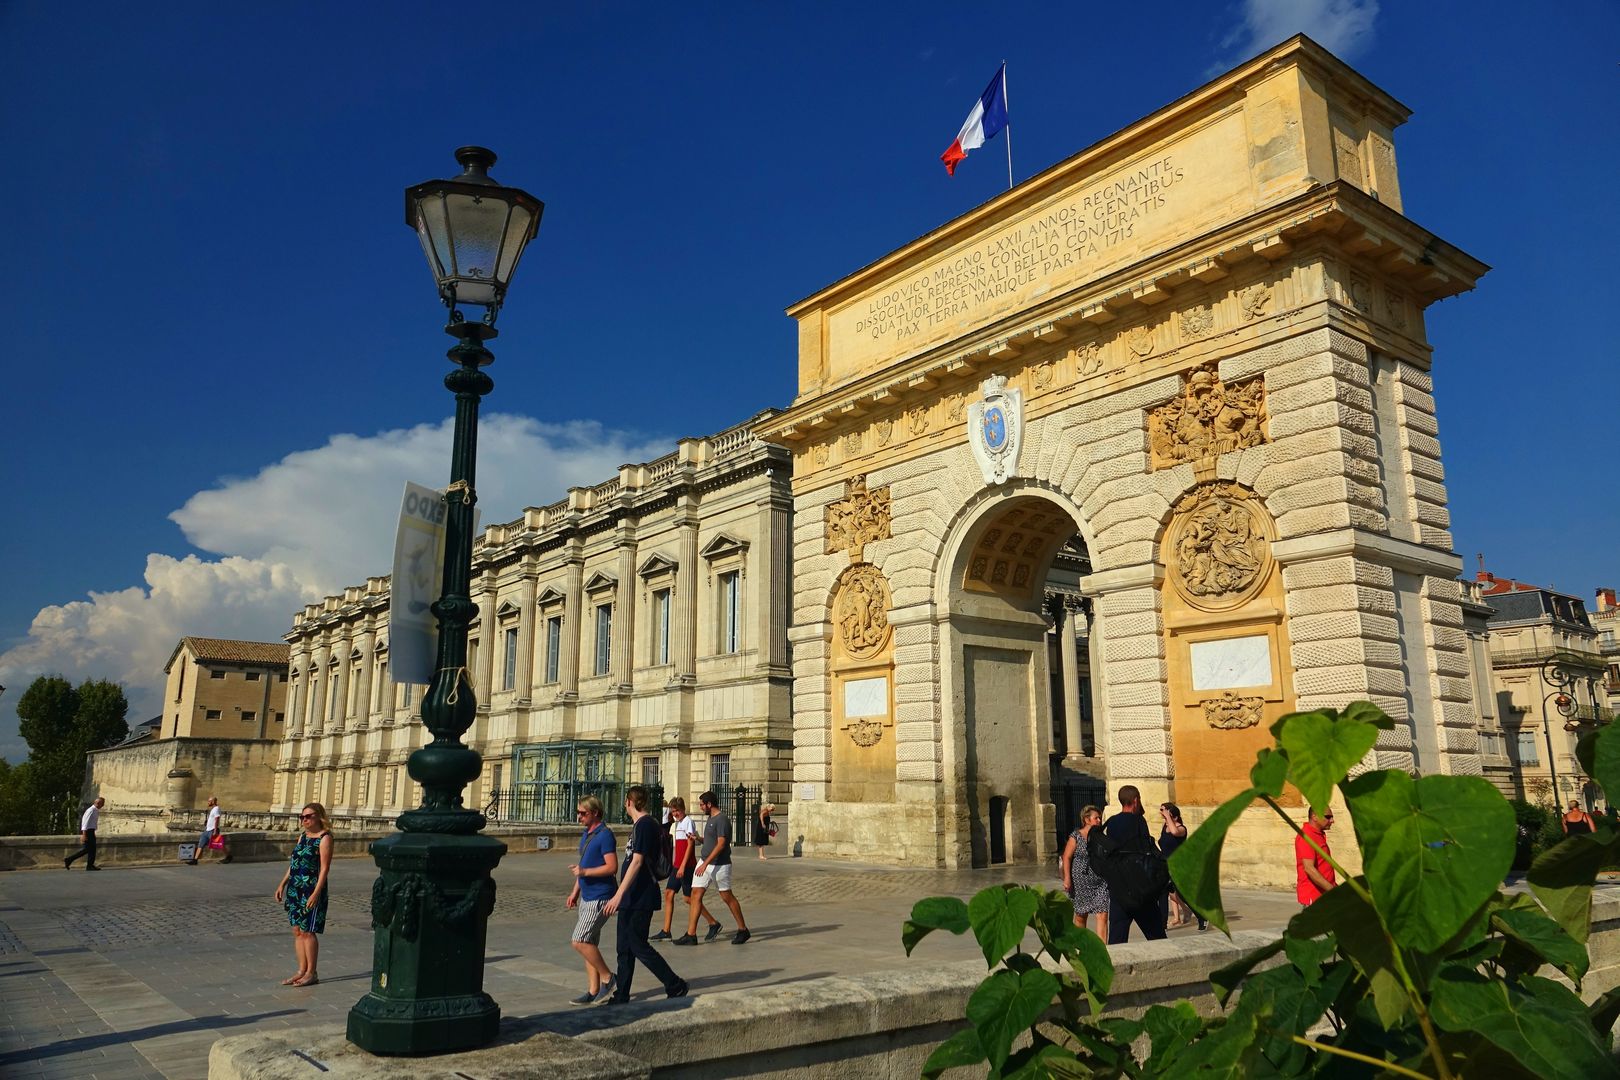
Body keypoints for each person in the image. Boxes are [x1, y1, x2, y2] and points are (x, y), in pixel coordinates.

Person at [602, 785, 687, 1004]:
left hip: (641, 895)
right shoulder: (639, 825)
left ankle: (674, 983)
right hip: (631, 895)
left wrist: (618, 894)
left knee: (638, 945)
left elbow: (637, 861)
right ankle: (622, 993)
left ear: (629, 802)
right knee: (624, 947)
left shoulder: (647, 824)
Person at [1090, 786, 1167, 944]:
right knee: (1158, 938)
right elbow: (1147, 851)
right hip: (1140, 889)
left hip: (1119, 890)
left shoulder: (1111, 823)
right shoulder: (1139, 821)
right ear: (1136, 800)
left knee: (1117, 940)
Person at [678, 790, 751, 945]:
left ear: (709, 804)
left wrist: (705, 864)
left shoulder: (722, 819)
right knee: (695, 894)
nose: (700, 807)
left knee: (727, 897)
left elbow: (721, 844)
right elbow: (711, 841)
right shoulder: (711, 819)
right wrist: (698, 838)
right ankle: (691, 934)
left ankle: (743, 929)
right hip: (705, 862)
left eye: (702, 804)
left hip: (719, 865)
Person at [565, 796, 618, 1004]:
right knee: (590, 942)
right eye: (578, 812)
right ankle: (594, 989)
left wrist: (585, 871)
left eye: (583, 813)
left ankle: (608, 978)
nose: (579, 816)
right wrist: (574, 891)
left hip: (600, 896)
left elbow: (611, 867)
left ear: (595, 813)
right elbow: (582, 864)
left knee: (579, 940)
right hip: (587, 894)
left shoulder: (605, 835)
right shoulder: (587, 833)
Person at [274, 802, 332, 986]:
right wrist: (282, 884)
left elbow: (324, 869)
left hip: (311, 889)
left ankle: (311, 972)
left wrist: (316, 893)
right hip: (295, 889)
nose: (304, 820)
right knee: (297, 930)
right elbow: (294, 864)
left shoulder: (324, 838)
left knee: (308, 931)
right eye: (302, 817)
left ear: (319, 817)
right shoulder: (303, 837)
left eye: (308, 816)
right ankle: (301, 970)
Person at [653, 798, 716, 941]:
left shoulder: (688, 822)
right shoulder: (677, 823)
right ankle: (666, 930)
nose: (675, 813)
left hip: (686, 866)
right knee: (669, 893)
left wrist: (682, 865)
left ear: (683, 809)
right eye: (673, 811)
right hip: (678, 865)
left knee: (689, 898)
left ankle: (713, 922)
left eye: (677, 811)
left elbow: (689, 846)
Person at [1058, 805, 1109, 939]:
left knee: (1103, 914)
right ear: (1087, 819)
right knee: (1081, 915)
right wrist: (1067, 878)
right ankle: (1079, 944)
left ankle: (1102, 949)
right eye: (1096, 818)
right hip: (1080, 880)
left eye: (1100, 818)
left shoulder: (1100, 836)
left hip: (1100, 881)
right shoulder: (1076, 836)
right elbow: (1067, 857)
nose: (1099, 821)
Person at [1158, 802, 1204, 931]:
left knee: (1182, 895)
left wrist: (1167, 816)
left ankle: (1201, 917)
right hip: (1165, 864)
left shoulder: (1181, 829)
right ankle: (1162, 924)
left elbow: (1174, 831)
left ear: (1176, 818)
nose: (1164, 816)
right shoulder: (1165, 826)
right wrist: (1165, 814)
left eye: (1168, 815)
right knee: (1163, 893)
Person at [1295, 806, 1336, 907]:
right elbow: (1309, 869)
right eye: (1328, 817)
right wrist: (1333, 891)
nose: (1332, 820)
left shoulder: (1317, 834)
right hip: (1314, 896)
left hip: (1323, 895)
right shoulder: (1307, 836)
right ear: (1315, 817)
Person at [64, 797, 105, 871]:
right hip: (88, 831)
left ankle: (90, 865)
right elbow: (85, 822)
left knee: (92, 849)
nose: (103, 805)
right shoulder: (91, 810)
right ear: (98, 803)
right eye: (102, 804)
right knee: (87, 849)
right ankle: (69, 859)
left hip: (91, 831)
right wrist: (84, 834)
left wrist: (93, 832)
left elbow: (92, 823)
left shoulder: (95, 810)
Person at [190, 796, 233, 865]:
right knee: (200, 845)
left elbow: (217, 819)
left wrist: (215, 830)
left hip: (212, 830)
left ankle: (228, 856)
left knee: (219, 845)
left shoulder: (216, 809)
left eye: (209, 801)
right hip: (207, 830)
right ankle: (195, 860)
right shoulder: (213, 809)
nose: (208, 802)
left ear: (213, 802)